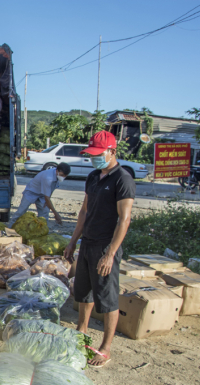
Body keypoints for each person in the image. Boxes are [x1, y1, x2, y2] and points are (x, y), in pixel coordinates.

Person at [64, 130, 135, 368]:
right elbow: (84, 210)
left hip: (106, 246)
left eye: (98, 154)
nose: (94, 158)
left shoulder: (122, 179)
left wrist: (110, 253)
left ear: (112, 152)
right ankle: (81, 332)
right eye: (91, 154)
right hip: (87, 243)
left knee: (107, 298)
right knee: (83, 292)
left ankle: (106, 347)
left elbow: (124, 220)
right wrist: (74, 240)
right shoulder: (94, 176)